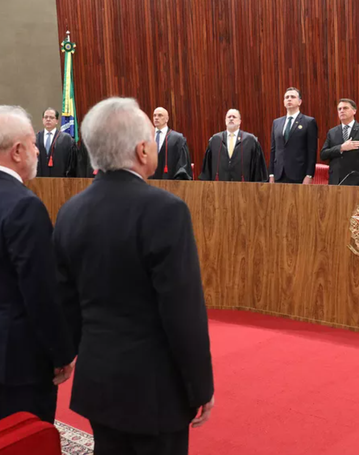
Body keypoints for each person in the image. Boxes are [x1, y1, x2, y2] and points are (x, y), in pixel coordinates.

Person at [53, 97, 214, 455]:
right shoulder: (166, 211)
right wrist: (201, 387)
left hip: (98, 382)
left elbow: (65, 302)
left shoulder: (69, 212)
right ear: (143, 150)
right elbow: (183, 312)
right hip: (154, 390)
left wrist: (62, 354)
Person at [0, 105, 76, 426]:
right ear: (18, 151)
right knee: (27, 441)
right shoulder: (24, 206)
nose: (37, 149)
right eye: (33, 144)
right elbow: (41, 292)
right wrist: (61, 353)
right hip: (19, 359)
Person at [319, 98, 359, 186]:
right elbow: (323, 154)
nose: (342, 111)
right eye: (339, 109)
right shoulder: (332, 132)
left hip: (357, 182)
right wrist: (341, 148)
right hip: (336, 181)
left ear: (354, 111)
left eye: (345, 108)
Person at [199, 109, 267, 182]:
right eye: (229, 117)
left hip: (244, 189)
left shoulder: (250, 141)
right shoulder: (215, 140)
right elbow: (206, 170)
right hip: (219, 189)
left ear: (240, 122)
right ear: (225, 121)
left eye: (234, 117)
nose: (231, 119)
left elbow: (258, 171)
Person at [270, 87, 318, 184]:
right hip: (279, 174)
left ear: (299, 102)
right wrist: (271, 174)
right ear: (284, 102)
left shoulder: (308, 122)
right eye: (286, 97)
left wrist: (309, 175)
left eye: (292, 97)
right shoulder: (276, 122)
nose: (289, 99)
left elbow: (312, 151)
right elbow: (273, 150)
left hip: (299, 174)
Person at [150, 107, 192, 180]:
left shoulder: (177, 139)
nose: (156, 118)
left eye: (160, 115)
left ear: (167, 119)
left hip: (169, 181)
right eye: (154, 115)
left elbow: (182, 166)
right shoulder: (146, 137)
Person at [36, 108, 78, 177]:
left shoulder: (67, 139)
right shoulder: (35, 138)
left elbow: (72, 165)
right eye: (46, 117)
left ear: (57, 121)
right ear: (42, 120)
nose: (48, 119)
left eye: (51, 117)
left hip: (60, 182)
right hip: (39, 182)